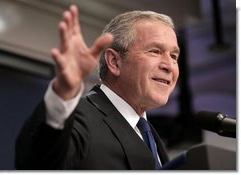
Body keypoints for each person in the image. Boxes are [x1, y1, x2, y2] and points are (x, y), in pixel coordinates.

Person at [15, 4, 180, 170]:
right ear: (115, 62)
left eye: (174, 56)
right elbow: (37, 164)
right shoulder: (79, 118)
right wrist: (63, 91)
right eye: (155, 51)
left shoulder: (149, 135)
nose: (169, 65)